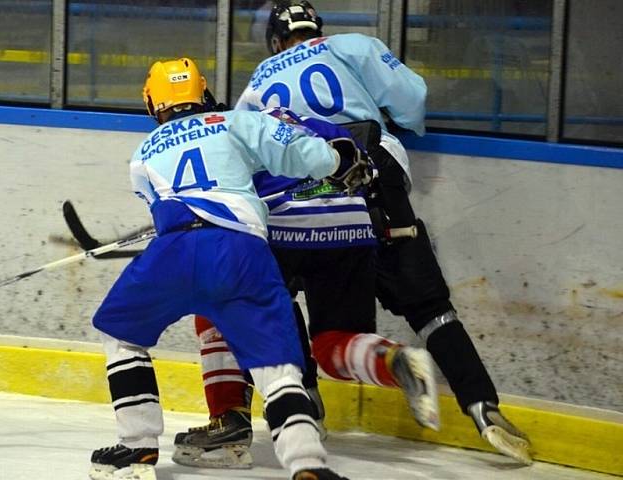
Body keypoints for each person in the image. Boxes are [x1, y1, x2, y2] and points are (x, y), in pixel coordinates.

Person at [174, 0, 532, 467]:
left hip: (292, 199)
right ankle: (483, 407)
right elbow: (412, 100)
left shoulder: (262, 77)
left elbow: (244, 149)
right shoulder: (352, 46)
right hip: (374, 185)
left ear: (276, 42)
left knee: (274, 295)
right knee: (428, 307)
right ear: (316, 30)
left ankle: (305, 400)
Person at [89, 57, 361, 480]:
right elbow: (294, 150)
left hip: (173, 253)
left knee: (119, 334)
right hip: (241, 253)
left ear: (153, 104)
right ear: (202, 92)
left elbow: (165, 207)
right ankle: (307, 463)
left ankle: (137, 447)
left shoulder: (142, 154)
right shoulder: (234, 120)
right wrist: (336, 159)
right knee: (277, 365)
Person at [172, 109, 441, 470]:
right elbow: (359, 163)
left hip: (283, 227)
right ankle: (396, 360)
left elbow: (220, 205)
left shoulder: (221, 131)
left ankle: (229, 426)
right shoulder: (303, 120)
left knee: (216, 305)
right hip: (351, 225)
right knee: (335, 343)